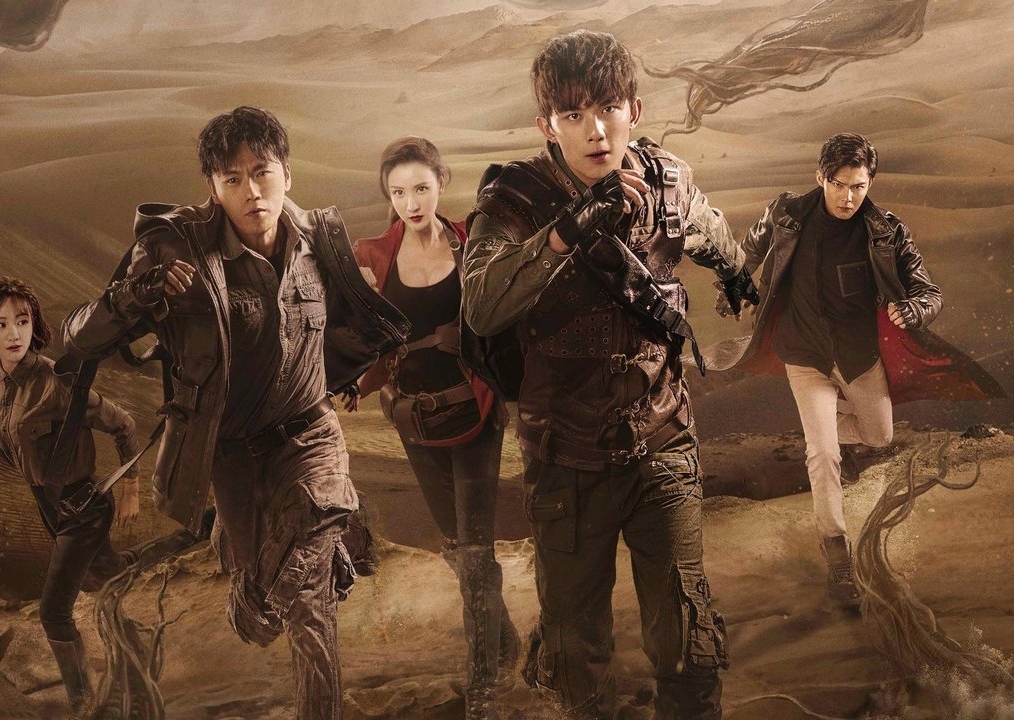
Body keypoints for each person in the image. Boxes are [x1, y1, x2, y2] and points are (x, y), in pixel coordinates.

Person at [61, 106, 408, 720]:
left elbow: (356, 325)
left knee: (309, 598)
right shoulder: (174, 250)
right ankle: (257, 585)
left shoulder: (319, 242)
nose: (252, 191)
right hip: (231, 457)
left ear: (287, 174)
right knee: (264, 615)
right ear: (213, 188)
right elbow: (80, 336)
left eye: (263, 171)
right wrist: (137, 295)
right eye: (233, 178)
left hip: (311, 438)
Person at [461, 30, 753, 719]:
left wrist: (738, 273)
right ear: (547, 124)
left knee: (687, 642)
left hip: (662, 443)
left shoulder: (668, 181)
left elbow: (712, 231)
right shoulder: (516, 199)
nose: (596, 130)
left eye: (609, 109)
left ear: (635, 110)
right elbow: (481, 304)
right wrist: (566, 231)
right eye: (574, 114)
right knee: (576, 655)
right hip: (564, 460)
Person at [702, 133, 1003, 608]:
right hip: (804, 354)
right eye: (839, 184)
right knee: (823, 455)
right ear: (820, 177)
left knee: (879, 435)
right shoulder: (786, 214)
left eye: (858, 186)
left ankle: (821, 426)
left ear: (870, 183)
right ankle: (837, 553)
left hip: (859, 357)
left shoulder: (887, 231)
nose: (848, 197)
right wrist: (734, 288)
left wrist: (915, 309)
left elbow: (929, 292)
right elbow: (743, 258)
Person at [350, 136, 517, 719]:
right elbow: (358, 335)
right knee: (455, 547)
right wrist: (353, 380)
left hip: (474, 413)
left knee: (475, 550)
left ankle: (484, 685)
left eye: (421, 188)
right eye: (398, 192)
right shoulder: (373, 257)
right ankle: (504, 640)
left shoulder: (475, 244)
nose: (411, 203)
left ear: (441, 183)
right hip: (412, 420)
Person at [0, 276, 141, 714]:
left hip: (84, 506)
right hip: (50, 509)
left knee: (54, 612)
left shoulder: (57, 381)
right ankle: (137, 667)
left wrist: (132, 486)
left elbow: (124, 423)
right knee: (108, 586)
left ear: (34, 324)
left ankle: (82, 701)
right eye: (1, 324)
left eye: (22, 321)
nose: (14, 333)